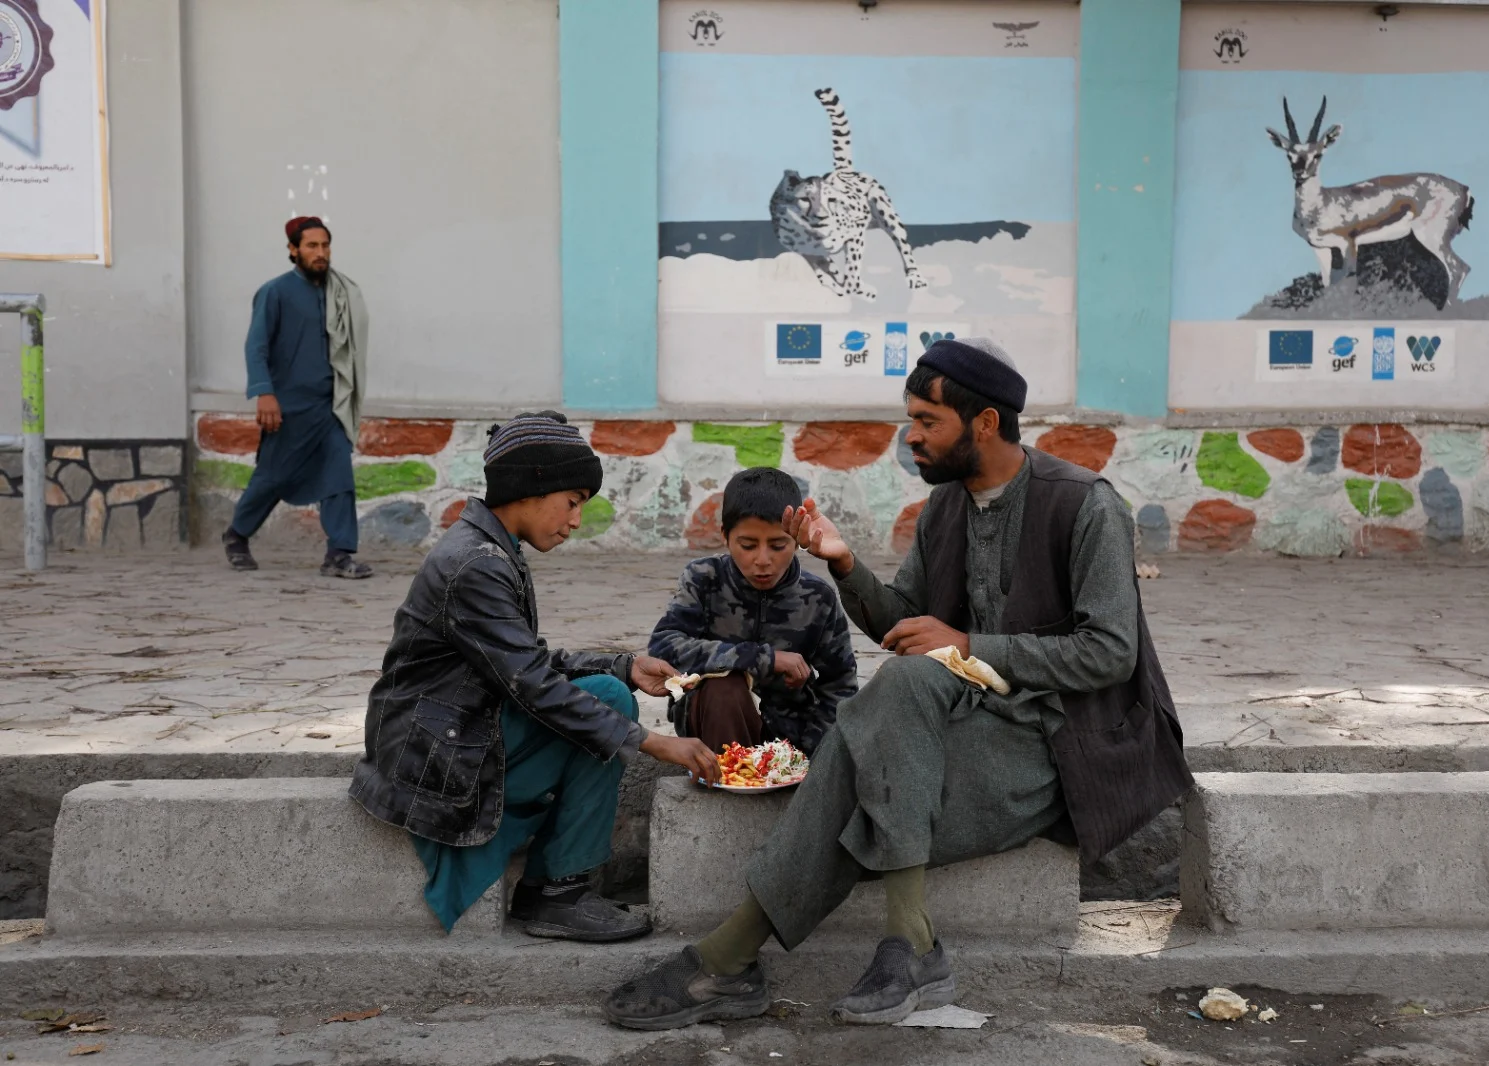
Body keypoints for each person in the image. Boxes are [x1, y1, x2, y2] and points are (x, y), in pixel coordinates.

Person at [605, 338, 1194, 1028]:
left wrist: (970, 643)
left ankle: (732, 959)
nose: (909, 437)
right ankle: (900, 948)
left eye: (926, 422)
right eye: (909, 419)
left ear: (984, 424)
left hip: (1066, 743)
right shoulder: (946, 509)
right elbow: (903, 625)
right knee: (897, 699)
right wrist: (845, 563)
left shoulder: (1084, 504)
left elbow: (1110, 653)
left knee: (876, 741)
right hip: (961, 726)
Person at [349, 411, 722, 940]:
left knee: (611, 688)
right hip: (430, 757)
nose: (575, 521)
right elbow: (534, 685)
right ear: (530, 488)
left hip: (447, 731)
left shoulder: (490, 547)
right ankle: (556, 893)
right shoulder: (475, 563)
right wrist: (655, 743)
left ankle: (555, 884)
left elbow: (524, 659)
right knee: (609, 707)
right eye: (572, 503)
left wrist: (623, 664)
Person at [648, 467, 857, 757]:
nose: (762, 560)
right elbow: (664, 649)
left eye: (778, 545)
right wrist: (764, 659)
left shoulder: (818, 598)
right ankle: (732, 784)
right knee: (725, 689)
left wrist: (813, 753)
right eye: (747, 545)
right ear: (725, 536)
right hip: (715, 724)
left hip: (790, 738)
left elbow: (841, 686)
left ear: (797, 538)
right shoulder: (704, 579)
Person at [222, 216, 372, 578]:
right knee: (273, 477)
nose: (320, 253)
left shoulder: (339, 293)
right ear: (293, 250)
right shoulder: (274, 292)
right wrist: (264, 394)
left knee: (339, 473)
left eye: (325, 246)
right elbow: (256, 347)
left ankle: (338, 553)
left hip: (329, 405)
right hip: (287, 407)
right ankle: (237, 534)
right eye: (311, 246)